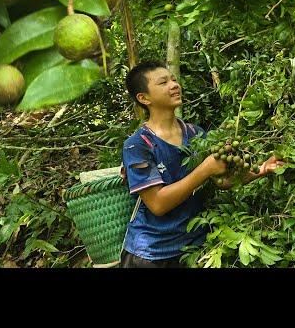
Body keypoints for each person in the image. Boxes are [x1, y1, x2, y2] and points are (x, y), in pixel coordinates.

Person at [120, 60, 283, 268]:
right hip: (152, 254)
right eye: (163, 83)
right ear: (143, 98)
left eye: (174, 79)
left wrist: (262, 169)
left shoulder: (195, 134)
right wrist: (205, 168)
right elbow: (158, 204)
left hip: (193, 248)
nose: (174, 85)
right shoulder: (137, 145)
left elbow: (220, 181)